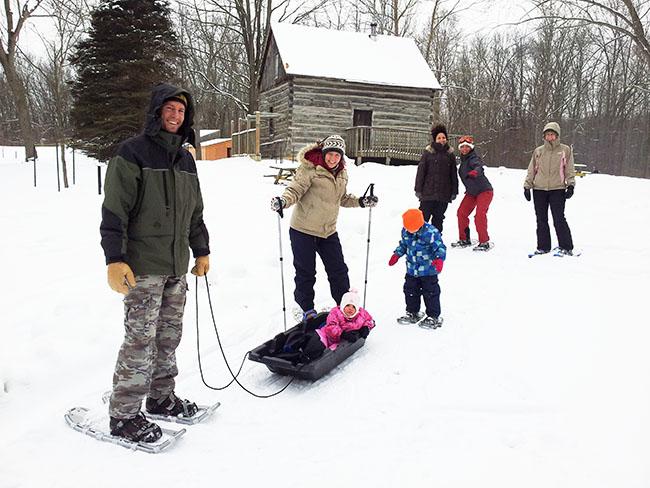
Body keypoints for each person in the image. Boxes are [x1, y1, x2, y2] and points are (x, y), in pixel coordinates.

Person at [100, 83, 210, 442]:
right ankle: (124, 415)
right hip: (143, 267)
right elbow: (115, 210)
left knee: (168, 337)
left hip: (176, 267)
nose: (175, 116)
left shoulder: (186, 159)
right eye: (170, 109)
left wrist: (201, 250)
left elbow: (195, 213)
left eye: (181, 111)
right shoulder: (132, 153)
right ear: (156, 112)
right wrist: (115, 259)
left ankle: (161, 397)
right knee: (140, 341)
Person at [270, 135, 378, 320]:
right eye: (330, 154)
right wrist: (283, 201)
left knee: (339, 270)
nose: (333, 158)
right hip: (303, 230)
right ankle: (306, 309)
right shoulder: (310, 169)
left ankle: (345, 307)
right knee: (306, 272)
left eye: (337, 155)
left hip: (328, 231)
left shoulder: (342, 172)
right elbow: (295, 190)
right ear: (324, 153)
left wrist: (361, 201)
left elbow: (342, 198)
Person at [523, 122, 576, 256]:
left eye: (552, 134)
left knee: (558, 218)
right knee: (541, 219)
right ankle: (543, 246)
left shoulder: (564, 150)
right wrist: (527, 186)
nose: (549, 137)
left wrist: (570, 185)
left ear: (557, 135)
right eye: (547, 135)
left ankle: (566, 246)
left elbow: (569, 169)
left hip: (557, 189)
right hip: (539, 189)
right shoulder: (539, 151)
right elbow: (532, 169)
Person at [389, 209, 446, 329]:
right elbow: (404, 245)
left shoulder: (431, 232)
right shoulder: (406, 231)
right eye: (408, 228)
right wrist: (397, 254)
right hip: (411, 269)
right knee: (410, 291)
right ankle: (412, 312)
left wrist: (440, 259)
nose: (411, 231)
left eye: (413, 228)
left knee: (430, 292)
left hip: (428, 270)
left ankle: (433, 316)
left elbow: (440, 247)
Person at [414, 124, 458, 234]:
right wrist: (418, 189)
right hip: (428, 193)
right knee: (422, 218)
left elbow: (453, 174)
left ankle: (436, 243)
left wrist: (454, 191)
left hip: (444, 194)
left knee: (438, 219)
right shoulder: (428, 153)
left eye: (443, 137)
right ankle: (419, 240)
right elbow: (421, 172)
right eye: (439, 138)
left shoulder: (450, 155)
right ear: (435, 140)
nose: (441, 140)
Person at [452, 136, 494, 251]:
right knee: (461, 213)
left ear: (471, 148)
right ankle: (464, 239)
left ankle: (484, 242)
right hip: (472, 192)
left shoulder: (473, 158)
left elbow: (479, 166)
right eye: (462, 147)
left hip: (484, 191)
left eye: (467, 147)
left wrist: (476, 171)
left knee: (479, 215)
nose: (465, 149)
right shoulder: (463, 161)